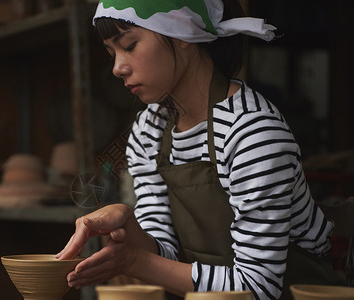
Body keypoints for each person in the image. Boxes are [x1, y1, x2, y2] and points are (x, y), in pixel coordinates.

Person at [57, 0, 345, 299]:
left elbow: (258, 288)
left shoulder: (251, 130)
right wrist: (130, 225)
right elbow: (164, 254)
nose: (117, 68)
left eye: (129, 45)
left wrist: (133, 260)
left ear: (182, 35)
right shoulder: (149, 130)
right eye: (111, 53)